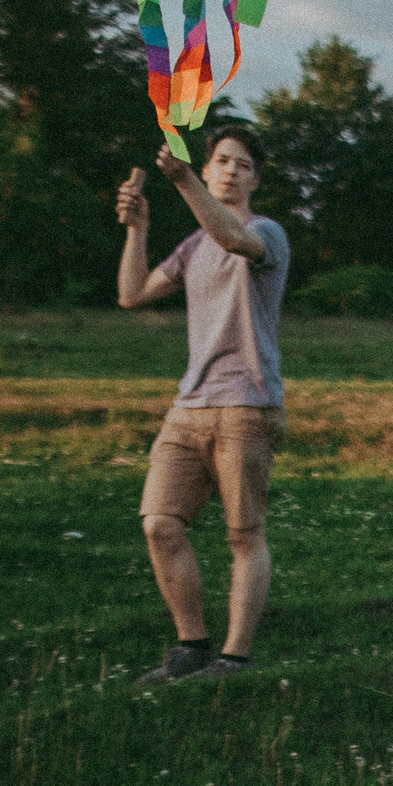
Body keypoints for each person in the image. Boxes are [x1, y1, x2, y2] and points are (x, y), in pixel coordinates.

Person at [114, 124, 292, 683]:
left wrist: (186, 183)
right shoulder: (192, 246)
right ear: (211, 168)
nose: (231, 171)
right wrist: (138, 230)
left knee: (244, 535)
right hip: (189, 407)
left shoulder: (266, 232)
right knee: (159, 523)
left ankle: (234, 659)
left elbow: (235, 240)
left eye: (242, 165)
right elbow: (131, 295)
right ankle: (191, 644)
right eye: (221, 161)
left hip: (247, 406)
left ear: (254, 180)